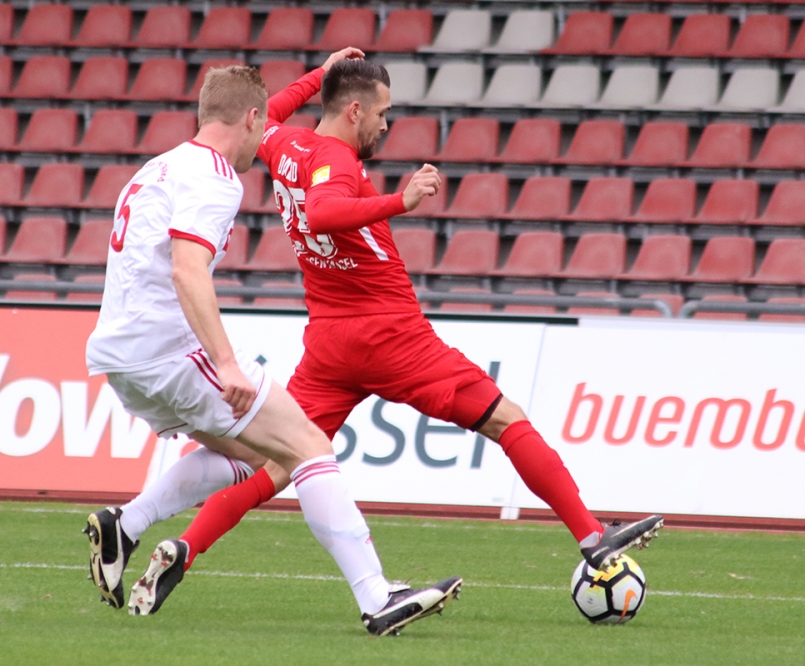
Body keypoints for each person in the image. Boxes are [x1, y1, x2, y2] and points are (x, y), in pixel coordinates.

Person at [136, 56, 664, 609]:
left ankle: (184, 549)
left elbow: (265, 117)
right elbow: (323, 212)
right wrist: (401, 201)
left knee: (279, 463)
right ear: (355, 110)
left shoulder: (284, 144)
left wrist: (319, 75)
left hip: (329, 344)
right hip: (391, 336)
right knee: (505, 418)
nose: (385, 125)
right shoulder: (336, 161)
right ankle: (592, 537)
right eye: (382, 113)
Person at [83, 58, 462, 637]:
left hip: (120, 357)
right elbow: (188, 270)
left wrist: (318, 74)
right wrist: (227, 364)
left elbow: (258, 116)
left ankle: (127, 524)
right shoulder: (215, 177)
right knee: (308, 446)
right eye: (263, 123)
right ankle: (377, 596)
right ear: (251, 119)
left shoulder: (158, 167)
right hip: (169, 354)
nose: (267, 137)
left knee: (252, 456)